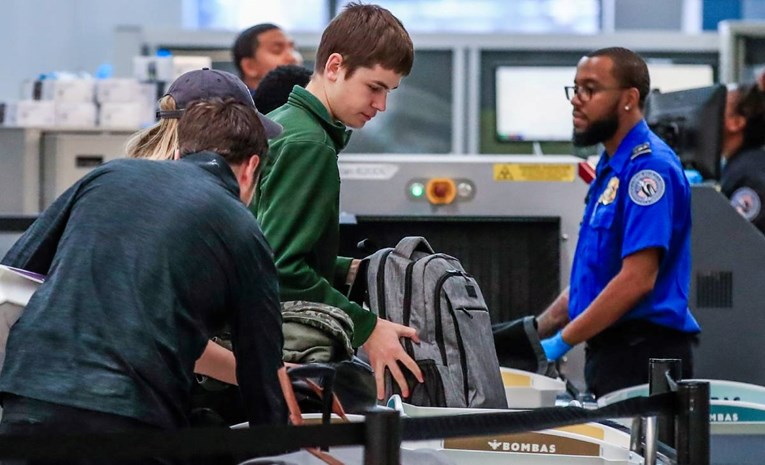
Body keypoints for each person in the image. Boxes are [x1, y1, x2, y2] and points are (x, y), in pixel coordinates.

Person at [0, 98, 286, 457]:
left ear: (182, 150)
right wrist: (277, 446)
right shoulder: (241, 227)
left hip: (29, 395)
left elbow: (15, 270)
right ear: (251, 169)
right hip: (127, 416)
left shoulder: (109, 175)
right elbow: (261, 366)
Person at [251, 2, 423, 400]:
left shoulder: (285, 124)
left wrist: (347, 269)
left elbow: (265, 241)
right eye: (374, 87)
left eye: (389, 92)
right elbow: (279, 268)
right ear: (333, 67)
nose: (381, 105)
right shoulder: (310, 145)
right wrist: (368, 327)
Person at [536, 47, 700, 398]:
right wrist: (535, 332)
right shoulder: (612, 167)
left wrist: (561, 342)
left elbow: (636, 280)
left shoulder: (648, 170)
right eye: (574, 89)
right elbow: (595, 278)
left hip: (642, 357)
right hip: (611, 354)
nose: (576, 101)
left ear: (629, 98)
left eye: (590, 89)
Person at [719, 82, 765, 234]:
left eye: (718, 107)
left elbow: (743, 245)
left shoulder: (747, 176)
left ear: (736, 122)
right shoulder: (746, 164)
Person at [233, 23, 301, 94]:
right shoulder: (236, 103)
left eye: (293, 49)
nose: (292, 57)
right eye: (277, 50)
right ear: (249, 66)